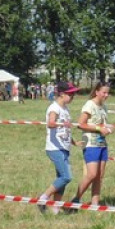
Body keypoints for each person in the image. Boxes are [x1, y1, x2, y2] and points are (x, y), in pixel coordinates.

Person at [37, 82, 79, 215]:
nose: (73, 96)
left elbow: (65, 130)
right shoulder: (54, 108)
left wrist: (73, 142)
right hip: (54, 148)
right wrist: (62, 123)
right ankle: (43, 198)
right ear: (61, 93)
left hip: (64, 147)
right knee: (66, 177)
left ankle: (56, 208)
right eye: (70, 93)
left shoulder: (65, 109)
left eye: (74, 93)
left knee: (61, 179)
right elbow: (51, 123)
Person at [71, 83, 112, 209]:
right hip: (90, 143)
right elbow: (81, 124)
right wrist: (100, 128)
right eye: (104, 92)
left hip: (102, 143)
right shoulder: (89, 104)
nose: (106, 95)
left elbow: (102, 124)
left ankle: (95, 204)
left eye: (108, 93)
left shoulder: (103, 107)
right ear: (97, 92)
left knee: (99, 176)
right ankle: (76, 199)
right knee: (92, 174)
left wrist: (108, 128)